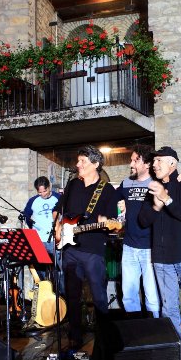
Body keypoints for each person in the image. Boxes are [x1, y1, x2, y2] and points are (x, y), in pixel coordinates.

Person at [138, 146, 181, 360]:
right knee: (169, 309)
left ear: (172, 164)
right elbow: (143, 221)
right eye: (153, 161)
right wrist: (156, 206)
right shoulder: (152, 189)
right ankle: (176, 350)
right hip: (162, 258)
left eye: (159, 161)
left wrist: (167, 199)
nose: (154, 165)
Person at [54, 146, 118, 349]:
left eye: (82, 161)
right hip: (70, 250)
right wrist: (57, 226)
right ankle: (75, 336)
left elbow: (113, 220)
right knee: (72, 296)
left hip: (93, 250)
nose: (77, 164)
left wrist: (106, 221)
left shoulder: (107, 190)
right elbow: (58, 210)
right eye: (78, 160)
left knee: (99, 296)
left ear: (95, 164)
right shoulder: (73, 185)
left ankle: (104, 338)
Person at [116, 144, 160, 318]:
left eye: (136, 160)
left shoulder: (156, 184)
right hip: (129, 246)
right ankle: (134, 330)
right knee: (128, 295)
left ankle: (156, 329)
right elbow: (112, 200)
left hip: (150, 248)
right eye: (131, 160)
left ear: (147, 164)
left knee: (152, 296)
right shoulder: (126, 183)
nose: (131, 164)